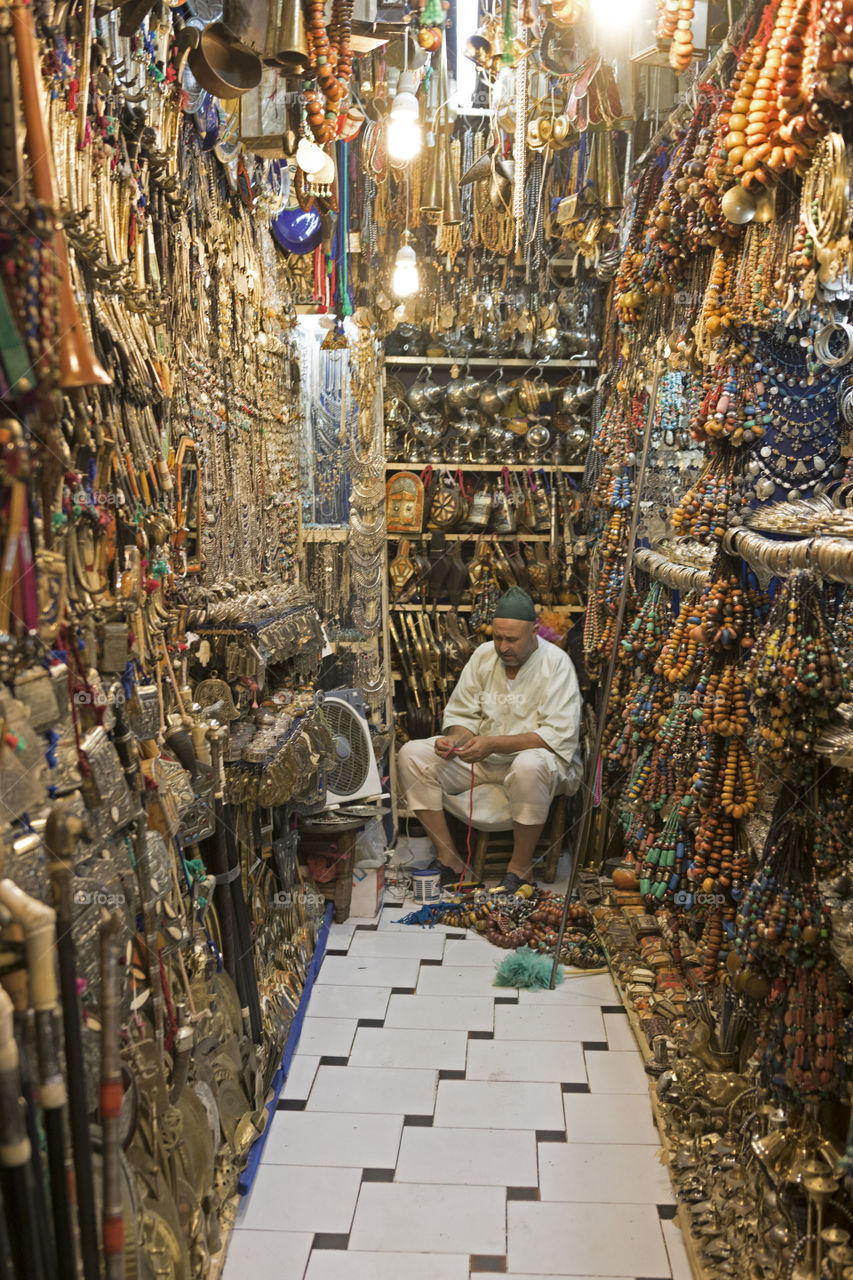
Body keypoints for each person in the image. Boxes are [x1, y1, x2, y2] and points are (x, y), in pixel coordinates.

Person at [397, 586, 583, 894]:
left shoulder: (557, 664)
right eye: (497, 637)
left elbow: (555, 738)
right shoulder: (484, 656)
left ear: (535, 632)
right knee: (412, 753)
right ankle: (451, 861)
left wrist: (492, 744)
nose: (502, 646)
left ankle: (520, 869)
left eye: (512, 639)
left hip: (540, 764)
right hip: (483, 759)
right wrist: (455, 740)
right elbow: (462, 716)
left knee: (529, 764)